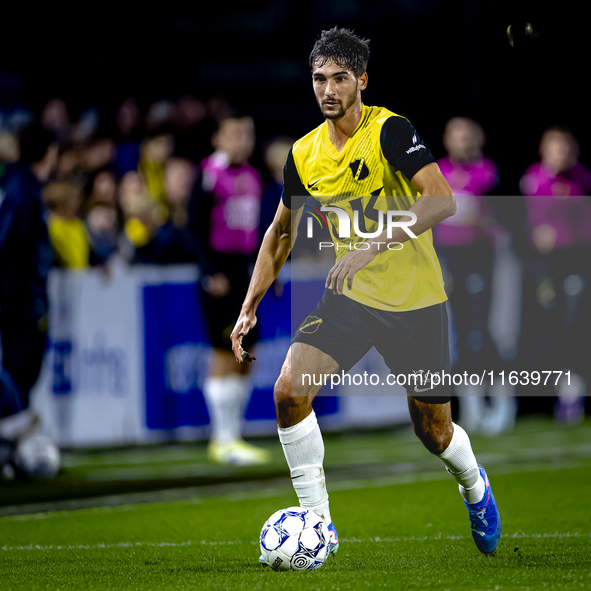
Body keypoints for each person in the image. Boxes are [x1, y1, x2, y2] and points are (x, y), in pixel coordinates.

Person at [230, 27, 502, 561]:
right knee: (289, 391)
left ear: (362, 81)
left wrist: (371, 244)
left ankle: (474, 486)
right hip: (349, 299)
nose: (327, 89)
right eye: (318, 78)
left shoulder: (390, 132)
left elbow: (441, 199)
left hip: (415, 299)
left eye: (339, 78)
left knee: (435, 432)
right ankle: (319, 526)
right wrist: (249, 304)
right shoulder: (303, 154)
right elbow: (281, 233)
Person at [189, 115, 270, 465]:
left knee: (247, 351)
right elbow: (191, 229)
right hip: (220, 274)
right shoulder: (209, 174)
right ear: (218, 137)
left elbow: (258, 234)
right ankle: (222, 440)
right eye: (234, 133)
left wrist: (269, 274)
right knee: (225, 350)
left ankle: (233, 435)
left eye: (247, 133)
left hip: (245, 275)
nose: (242, 140)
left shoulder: (253, 176)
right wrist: (211, 271)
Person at [435, 117, 516, 436]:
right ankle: (472, 409)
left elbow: (506, 218)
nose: (463, 142)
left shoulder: (488, 173)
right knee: (458, 335)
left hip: (482, 261)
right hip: (448, 261)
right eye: (457, 135)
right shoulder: (436, 172)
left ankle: (503, 403)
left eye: (468, 135)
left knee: (482, 331)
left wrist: (480, 219)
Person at [519, 127, 591, 423]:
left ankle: (572, 397)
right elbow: (525, 221)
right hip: (544, 268)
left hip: (576, 264)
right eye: (553, 148)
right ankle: (548, 397)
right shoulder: (534, 179)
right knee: (548, 329)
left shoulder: (581, 179)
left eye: (564, 148)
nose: (559, 154)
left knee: (574, 327)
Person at [0, 120, 58, 461]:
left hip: (25, 300)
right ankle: (13, 453)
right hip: (22, 303)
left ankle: (12, 453)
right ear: (47, 154)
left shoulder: (23, 189)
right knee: (20, 373)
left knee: (22, 375)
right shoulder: (23, 191)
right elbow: (7, 248)